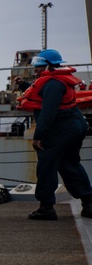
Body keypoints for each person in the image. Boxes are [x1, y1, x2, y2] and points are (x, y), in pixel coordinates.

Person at [16, 49, 92, 220]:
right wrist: (23, 86)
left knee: (46, 166)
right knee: (69, 164)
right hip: (74, 126)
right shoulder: (56, 82)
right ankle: (88, 203)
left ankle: (46, 208)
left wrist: (38, 136)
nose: (35, 69)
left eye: (39, 66)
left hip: (60, 129)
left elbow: (48, 113)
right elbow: (42, 95)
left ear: (49, 66)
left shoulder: (53, 84)